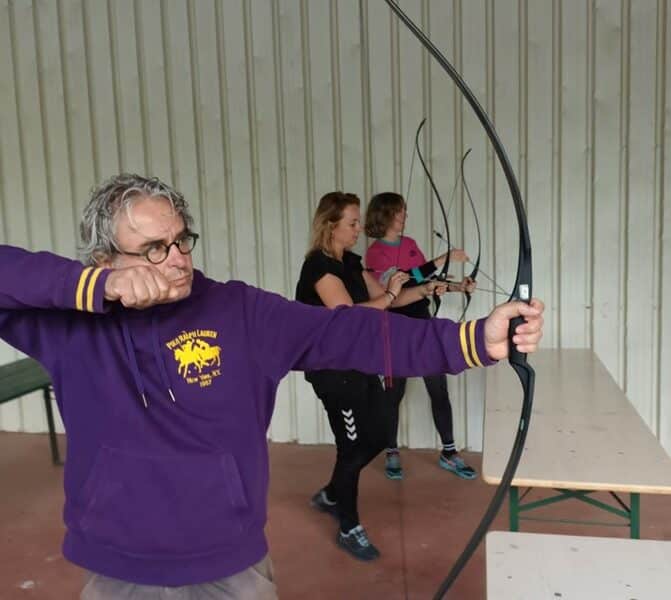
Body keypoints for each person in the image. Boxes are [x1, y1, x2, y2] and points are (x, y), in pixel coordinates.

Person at [0, 174, 544, 599]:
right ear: (104, 260)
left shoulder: (237, 311)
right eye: (153, 249)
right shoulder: (68, 323)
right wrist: (91, 287)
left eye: (181, 240)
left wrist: (474, 340)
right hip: (119, 565)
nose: (178, 259)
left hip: (229, 561)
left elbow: (347, 333)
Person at [295, 191, 452, 561]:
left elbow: (389, 299)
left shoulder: (351, 262)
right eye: (352, 223)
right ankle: (348, 526)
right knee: (351, 448)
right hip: (332, 371)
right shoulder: (319, 267)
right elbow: (349, 315)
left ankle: (332, 493)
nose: (358, 229)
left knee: (380, 434)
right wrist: (390, 295)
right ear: (331, 226)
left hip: (359, 364)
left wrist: (424, 288)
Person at [364, 191, 477, 480]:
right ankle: (391, 451)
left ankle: (449, 452)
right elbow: (401, 284)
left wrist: (459, 288)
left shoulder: (410, 244)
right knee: (394, 393)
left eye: (404, 210)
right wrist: (443, 258)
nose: (404, 216)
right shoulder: (375, 253)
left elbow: (426, 282)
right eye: (399, 211)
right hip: (395, 328)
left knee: (438, 387)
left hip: (423, 324)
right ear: (385, 215)